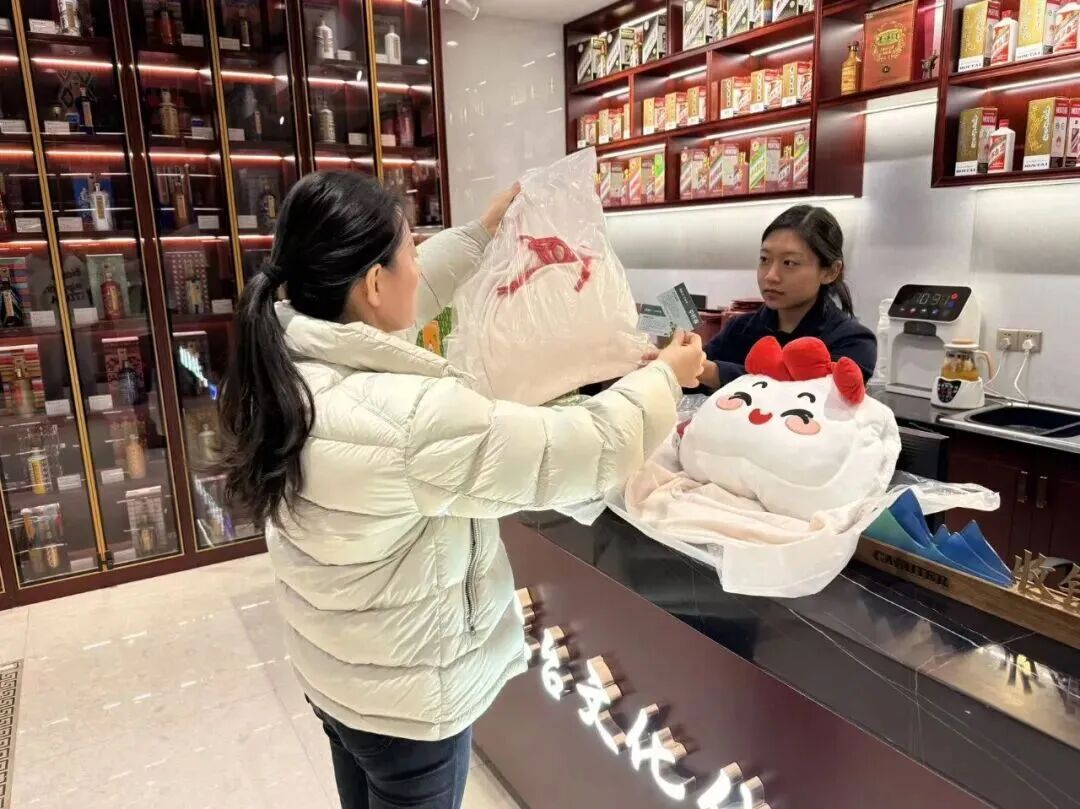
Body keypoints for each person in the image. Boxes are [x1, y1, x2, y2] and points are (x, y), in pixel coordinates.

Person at [215, 171, 705, 809]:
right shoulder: (412, 418)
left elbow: (398, 303)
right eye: (411, 251)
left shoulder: (288, 356)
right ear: (372, 283)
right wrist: (665, 377)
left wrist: (479, 236)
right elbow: (580, 450)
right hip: (410, 707)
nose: (420, 266)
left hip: (339, 675)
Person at [697, 205, 876, 391]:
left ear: (830, 271)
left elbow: (804, 395)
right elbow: (691, 380)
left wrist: (714, 373)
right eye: (764, 259)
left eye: (789, 263)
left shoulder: (853, 340)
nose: (771, 276)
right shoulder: (739, 329)